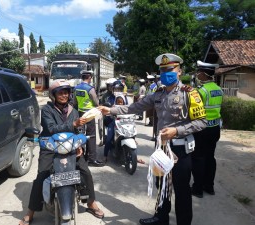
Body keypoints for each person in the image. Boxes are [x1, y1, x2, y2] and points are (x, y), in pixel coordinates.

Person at [98, 53, 207, 225]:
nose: (165, 73)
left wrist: (177, 130)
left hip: (180, 150)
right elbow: (134, 107)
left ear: (180, 71)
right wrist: (110, 110)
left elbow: (202, 122)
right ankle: (161, 218)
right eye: (162, 70)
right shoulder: (158, 94)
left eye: (169, 69)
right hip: (161, 149)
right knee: (161, 185)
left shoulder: (190, 94)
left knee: (181, 190)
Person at [19, 80, 104, 225]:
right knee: (42, 175)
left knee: (85, 171)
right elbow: (51, 129)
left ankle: (90, 203)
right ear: (54, 95)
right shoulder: (47, 110)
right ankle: (31, 211)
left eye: (66, 92)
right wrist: (73, 124)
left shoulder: (74, 110)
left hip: (70, 147)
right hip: (50, 147)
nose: (64, 95)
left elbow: (79, 132)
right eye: (60, 92)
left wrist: (79, 146)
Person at [191, 61, 223, 198]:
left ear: (204, 74)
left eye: (199, 72)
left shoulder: (201, 91)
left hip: (202, 129)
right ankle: (209, 187)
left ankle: (197, 189)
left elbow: (193, 110)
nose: (198, 74)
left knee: (198, 158)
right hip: (215, 129)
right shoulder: (219, 89)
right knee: (210, 157)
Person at [74, 70, 104, 167]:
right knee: (91, 135)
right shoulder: (90, 89)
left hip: (80, 113)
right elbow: (96, 102)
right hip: (90, 114)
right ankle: (92, 159)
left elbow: (74, 102)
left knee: (80, 134)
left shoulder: (76, 88)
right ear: (89, 78)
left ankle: (81, 156)